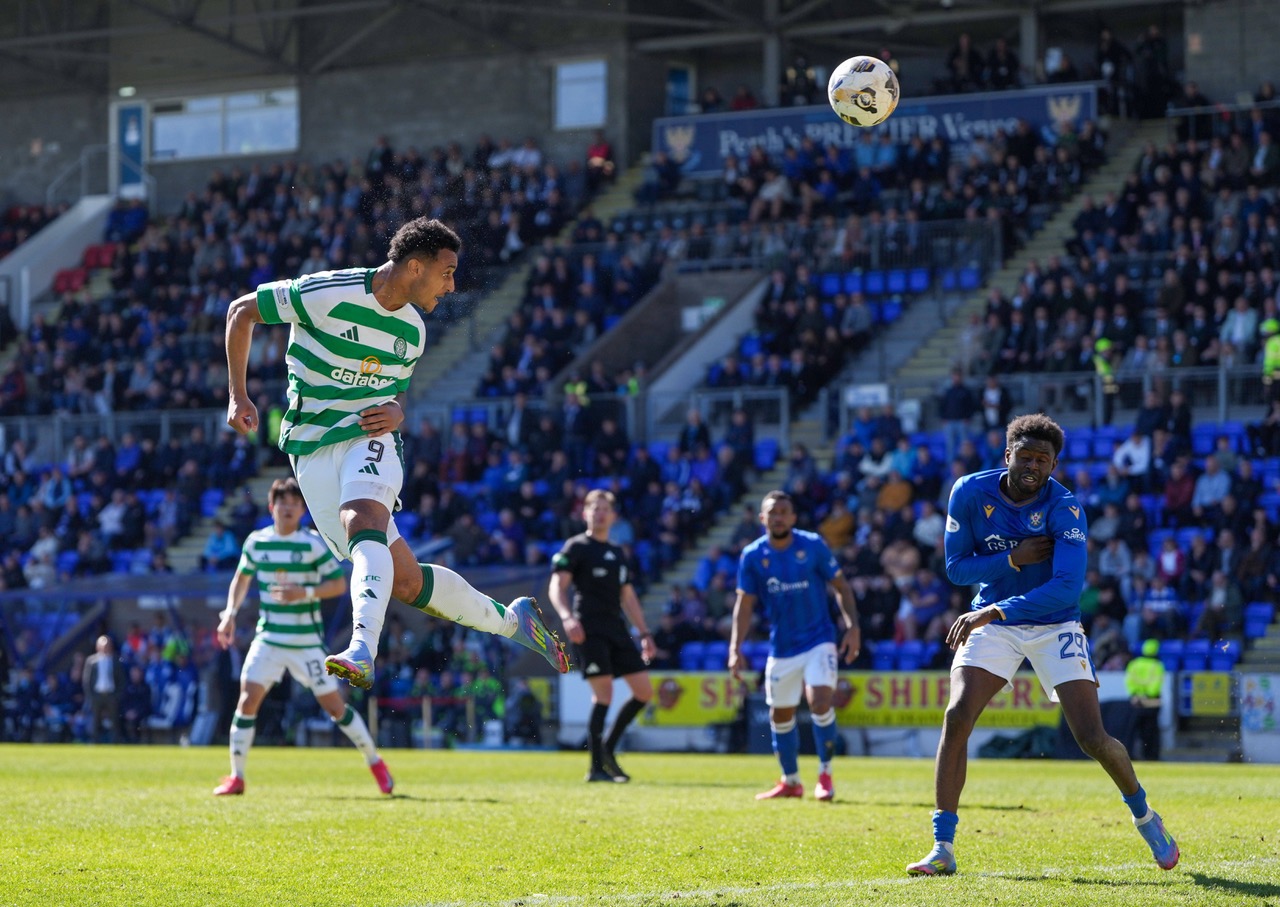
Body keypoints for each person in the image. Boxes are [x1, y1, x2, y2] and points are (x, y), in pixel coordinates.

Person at [225, 216, 569, 692]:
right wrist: (238, 395)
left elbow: (395, 396)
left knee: (361, 517)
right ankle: (512, 622)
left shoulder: (412, 331)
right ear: (413, 267)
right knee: (404, 583)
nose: (451, 286)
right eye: (446, 272)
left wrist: (396, 412)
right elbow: (241, 311)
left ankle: (361, 648)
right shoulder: (327, 293)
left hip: (370, 437)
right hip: (310, 446)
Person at [906, 414, 1178, 876]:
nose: (1033, 466)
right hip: (994, 621)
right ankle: (943, 846)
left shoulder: (1065, 508)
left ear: (1054, 465)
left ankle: (1145, 816)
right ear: (1007, 455)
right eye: (1025, 456)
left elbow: (1067, 589)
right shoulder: (969, 491)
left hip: (1053, 623)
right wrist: (1012, 558)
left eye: (1043, 460)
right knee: (957, 715)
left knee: (1091, 737)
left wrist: (994, 609)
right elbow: (956, 569)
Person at [211, 478, 393, 796]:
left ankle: (375, 761)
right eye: (283, 503)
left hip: (306, 643)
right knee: (247, 699)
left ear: (302, 511)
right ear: (272, 507)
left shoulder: (312, 543)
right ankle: (236, 776)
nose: (289, 509)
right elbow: (241, 578)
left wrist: (303, 593)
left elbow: (337, 585)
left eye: (295, 504)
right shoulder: (256, 542)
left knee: (336, 708)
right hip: (268, 638)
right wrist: (230, 613)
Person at [728, 490, 860, 802]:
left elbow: (841, 586)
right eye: (772, 512)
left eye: (784, 511)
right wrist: (735, 648)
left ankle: (825, 775)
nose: (778, 517)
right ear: (762, 518)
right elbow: (743, 605)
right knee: (780, 715)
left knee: (819, 702)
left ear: (793, 517)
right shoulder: (752, 556)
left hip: (819, 639)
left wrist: (852, 627)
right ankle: (791, 782)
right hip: (782, 647)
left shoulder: (812, 545)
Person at [548, 489, 654, 782]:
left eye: (606, 508)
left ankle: (607, 748)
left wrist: (644, 632)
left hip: (616, 629)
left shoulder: (618, 553)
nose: (600, 513)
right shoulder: (577, 546)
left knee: (644, 692)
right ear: (585, 513)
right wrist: (568, 617)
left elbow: (628, 597)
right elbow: (557, 586)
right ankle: (595, 768)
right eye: (595, 508)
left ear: (614, 516)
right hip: (588, 629)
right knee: (604, 694)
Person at [1125, 638, 1165, 761]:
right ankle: (1151, 757)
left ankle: (1130, 756)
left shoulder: (1134, 664)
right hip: (1151, 703)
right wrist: (1147, 695)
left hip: (1136, 702)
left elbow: (1129, 682)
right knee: (1151, 733)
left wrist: (1136, 695)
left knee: (1133, 732)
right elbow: (1156, 685)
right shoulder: (1157, 666)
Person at [81, 635, 123, 744]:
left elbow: (121, 680)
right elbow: (87, 681)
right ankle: (94, 742)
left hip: (111, 694)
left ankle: (115, 742)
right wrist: (90, 696)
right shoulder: (91, 661)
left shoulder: (116, 660)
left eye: (107, 646)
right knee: (95, 721)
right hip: (97, 695)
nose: (105, 648)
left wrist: (117, 696)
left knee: (114, 720)